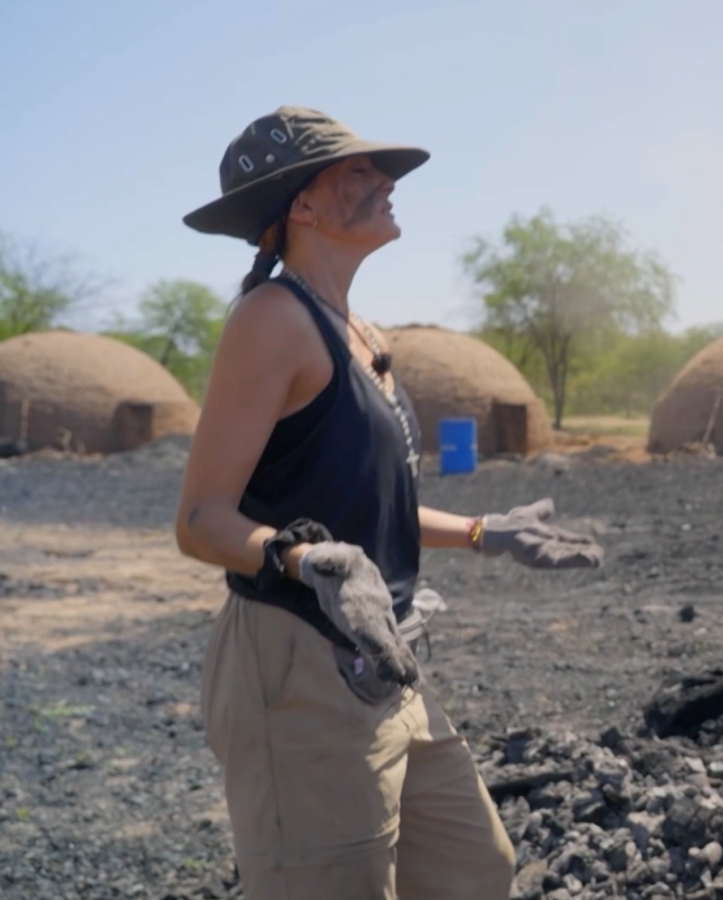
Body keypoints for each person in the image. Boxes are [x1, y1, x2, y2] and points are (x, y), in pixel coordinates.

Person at [173, 106, 605, 900]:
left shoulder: (359, 332)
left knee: (472, 870)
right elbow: (200, 518)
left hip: (384, 659)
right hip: (297, 663)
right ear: (300, 205)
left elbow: (369, 507)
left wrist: (484, 532)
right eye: (357, 173)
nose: (385, 182)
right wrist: (305, 560)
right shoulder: (273, 320)